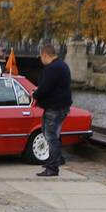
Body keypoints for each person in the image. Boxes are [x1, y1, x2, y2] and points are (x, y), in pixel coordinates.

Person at [31, 43, 72, 177]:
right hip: (63, 107)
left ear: (45, 55)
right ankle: (57, 159)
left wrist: (34, 94)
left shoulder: (52, 68)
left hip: (54, 108)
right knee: (54, 135)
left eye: (40, 56)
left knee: (50, 136)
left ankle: (52, 167)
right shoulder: (63, 65)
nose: (40, 60)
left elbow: (45, 88)